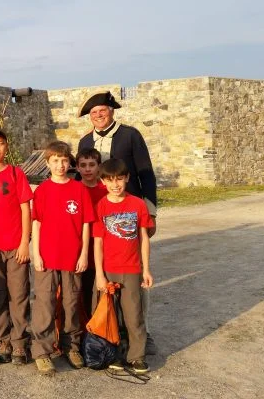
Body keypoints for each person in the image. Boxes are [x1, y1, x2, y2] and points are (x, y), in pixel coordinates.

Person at [76, 90, 158, 354]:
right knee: (99, 279)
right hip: (99, 216)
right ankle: (104, 334)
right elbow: (80, 177)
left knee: (135, 283)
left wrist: (151, 211)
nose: (98, 116)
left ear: (111, 111)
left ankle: (141, 333)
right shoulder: (85, 140)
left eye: (102, 111)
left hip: (129, 215)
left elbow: (145, 172)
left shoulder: (130, 135)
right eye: (94, 113)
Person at [31, 141, 95, 376]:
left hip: (72, 257)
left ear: (70, 163)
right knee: (45, 304)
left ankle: (72, 346)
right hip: (47, 257)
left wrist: (83, 254)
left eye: (64, 160)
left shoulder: (79, 190)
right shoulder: (42, 191)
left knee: (71, 303)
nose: (60, 165)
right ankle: (42, 351)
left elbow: (86, 224)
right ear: (47, 163)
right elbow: (36, 224)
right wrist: (36, 254)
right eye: (55, 161)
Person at [93, 158, 154, 374]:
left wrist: (146, 269)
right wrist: (99, 274)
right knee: (113, 315)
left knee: (133, 314)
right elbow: (98, 242)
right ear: (103, 182)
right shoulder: (101, 206)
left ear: (127, 178)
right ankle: (116, 355)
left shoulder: (137, 204)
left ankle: (136, 356)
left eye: (119, 179)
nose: (115, 184)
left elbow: (144, 238)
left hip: (132, 269)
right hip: (109, 269)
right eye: (110, 180)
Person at [0, 127, 33, 365]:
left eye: (0, 143)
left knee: (19, 294)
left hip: (15, 246)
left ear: (7, 146)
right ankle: (3, 338)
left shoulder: (15, 173)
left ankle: (19, 341)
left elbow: (25, 209)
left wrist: (25, 242)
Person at [76, 148, 107, 320]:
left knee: (103, 290)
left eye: (92, 165)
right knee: (83, 290)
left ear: (99, 167)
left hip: (103, 247)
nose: (88, 169)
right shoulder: (73, 189)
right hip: (81, 248)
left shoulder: (107, 190)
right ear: (77, 168)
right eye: (83, 165)